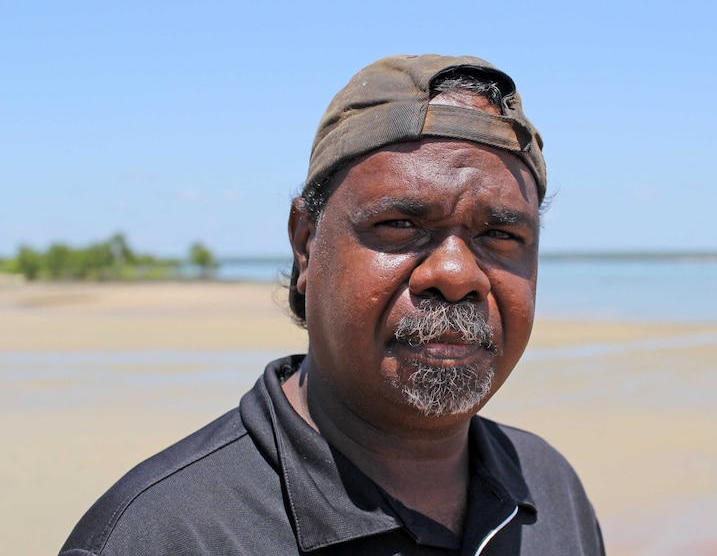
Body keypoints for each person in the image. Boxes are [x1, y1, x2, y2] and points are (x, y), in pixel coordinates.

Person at [60, 54, 605, 556]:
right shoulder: (165, 534)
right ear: (305, 243)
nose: (457, 275)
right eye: (400, 225)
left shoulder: (547, 488)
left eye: (501, 234)